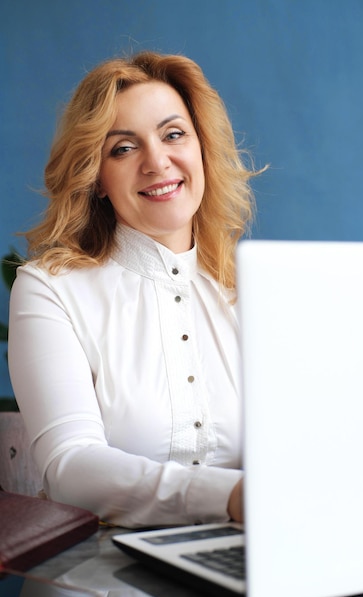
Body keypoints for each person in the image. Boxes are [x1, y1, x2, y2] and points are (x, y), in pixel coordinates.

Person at [8, 51, 261, 528]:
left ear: (201, 147)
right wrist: (231, 495)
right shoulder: (49, 291)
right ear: (96, 178)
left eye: (173, 135)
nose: (157, 162)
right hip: (102, 577)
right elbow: (70, 465)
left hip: (249, 562)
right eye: (123, 148)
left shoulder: (254, 291)